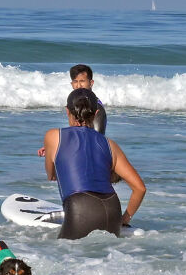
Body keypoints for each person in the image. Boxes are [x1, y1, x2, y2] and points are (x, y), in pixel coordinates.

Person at [43, 88, 145, 240]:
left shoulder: (53, 136)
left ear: (67, 111)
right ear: (97, 114)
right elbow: (140, 188)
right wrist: (124, 219)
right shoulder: (110, 145)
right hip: (112, 209)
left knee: (63, 258)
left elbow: (51, 175)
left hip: (81, 209)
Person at [38, 64, 107, 157]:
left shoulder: (96, 107)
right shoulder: (76, 102)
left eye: (82, 81)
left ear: (91, 83)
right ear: (71, 84)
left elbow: (97, 139)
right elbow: (76, 132)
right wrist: (54, 146)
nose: (78, 85)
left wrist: (60, 148)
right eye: (75, 81)